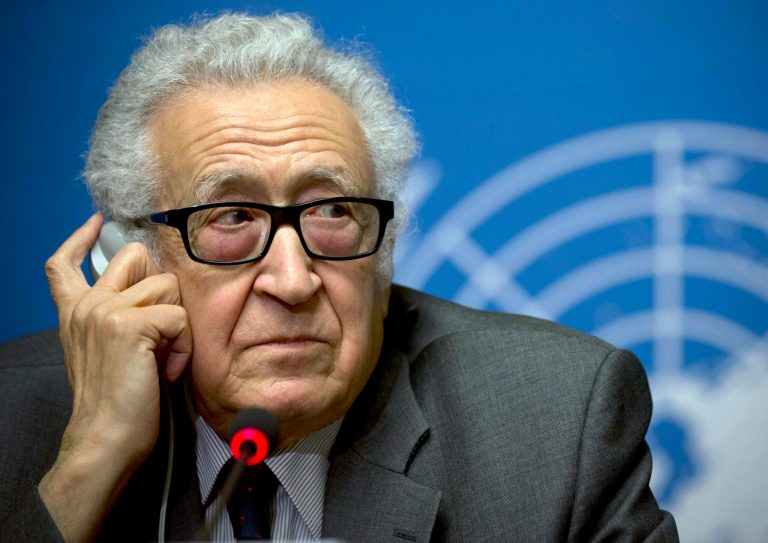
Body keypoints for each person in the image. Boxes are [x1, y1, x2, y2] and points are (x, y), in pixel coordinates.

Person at [0, 12, 678, 542]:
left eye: (331, 211)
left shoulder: (555, 423)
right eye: (231, 215)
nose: (294, 281)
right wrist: (89, 462)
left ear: (383, 246)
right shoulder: (14, 417)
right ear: (134, 259)